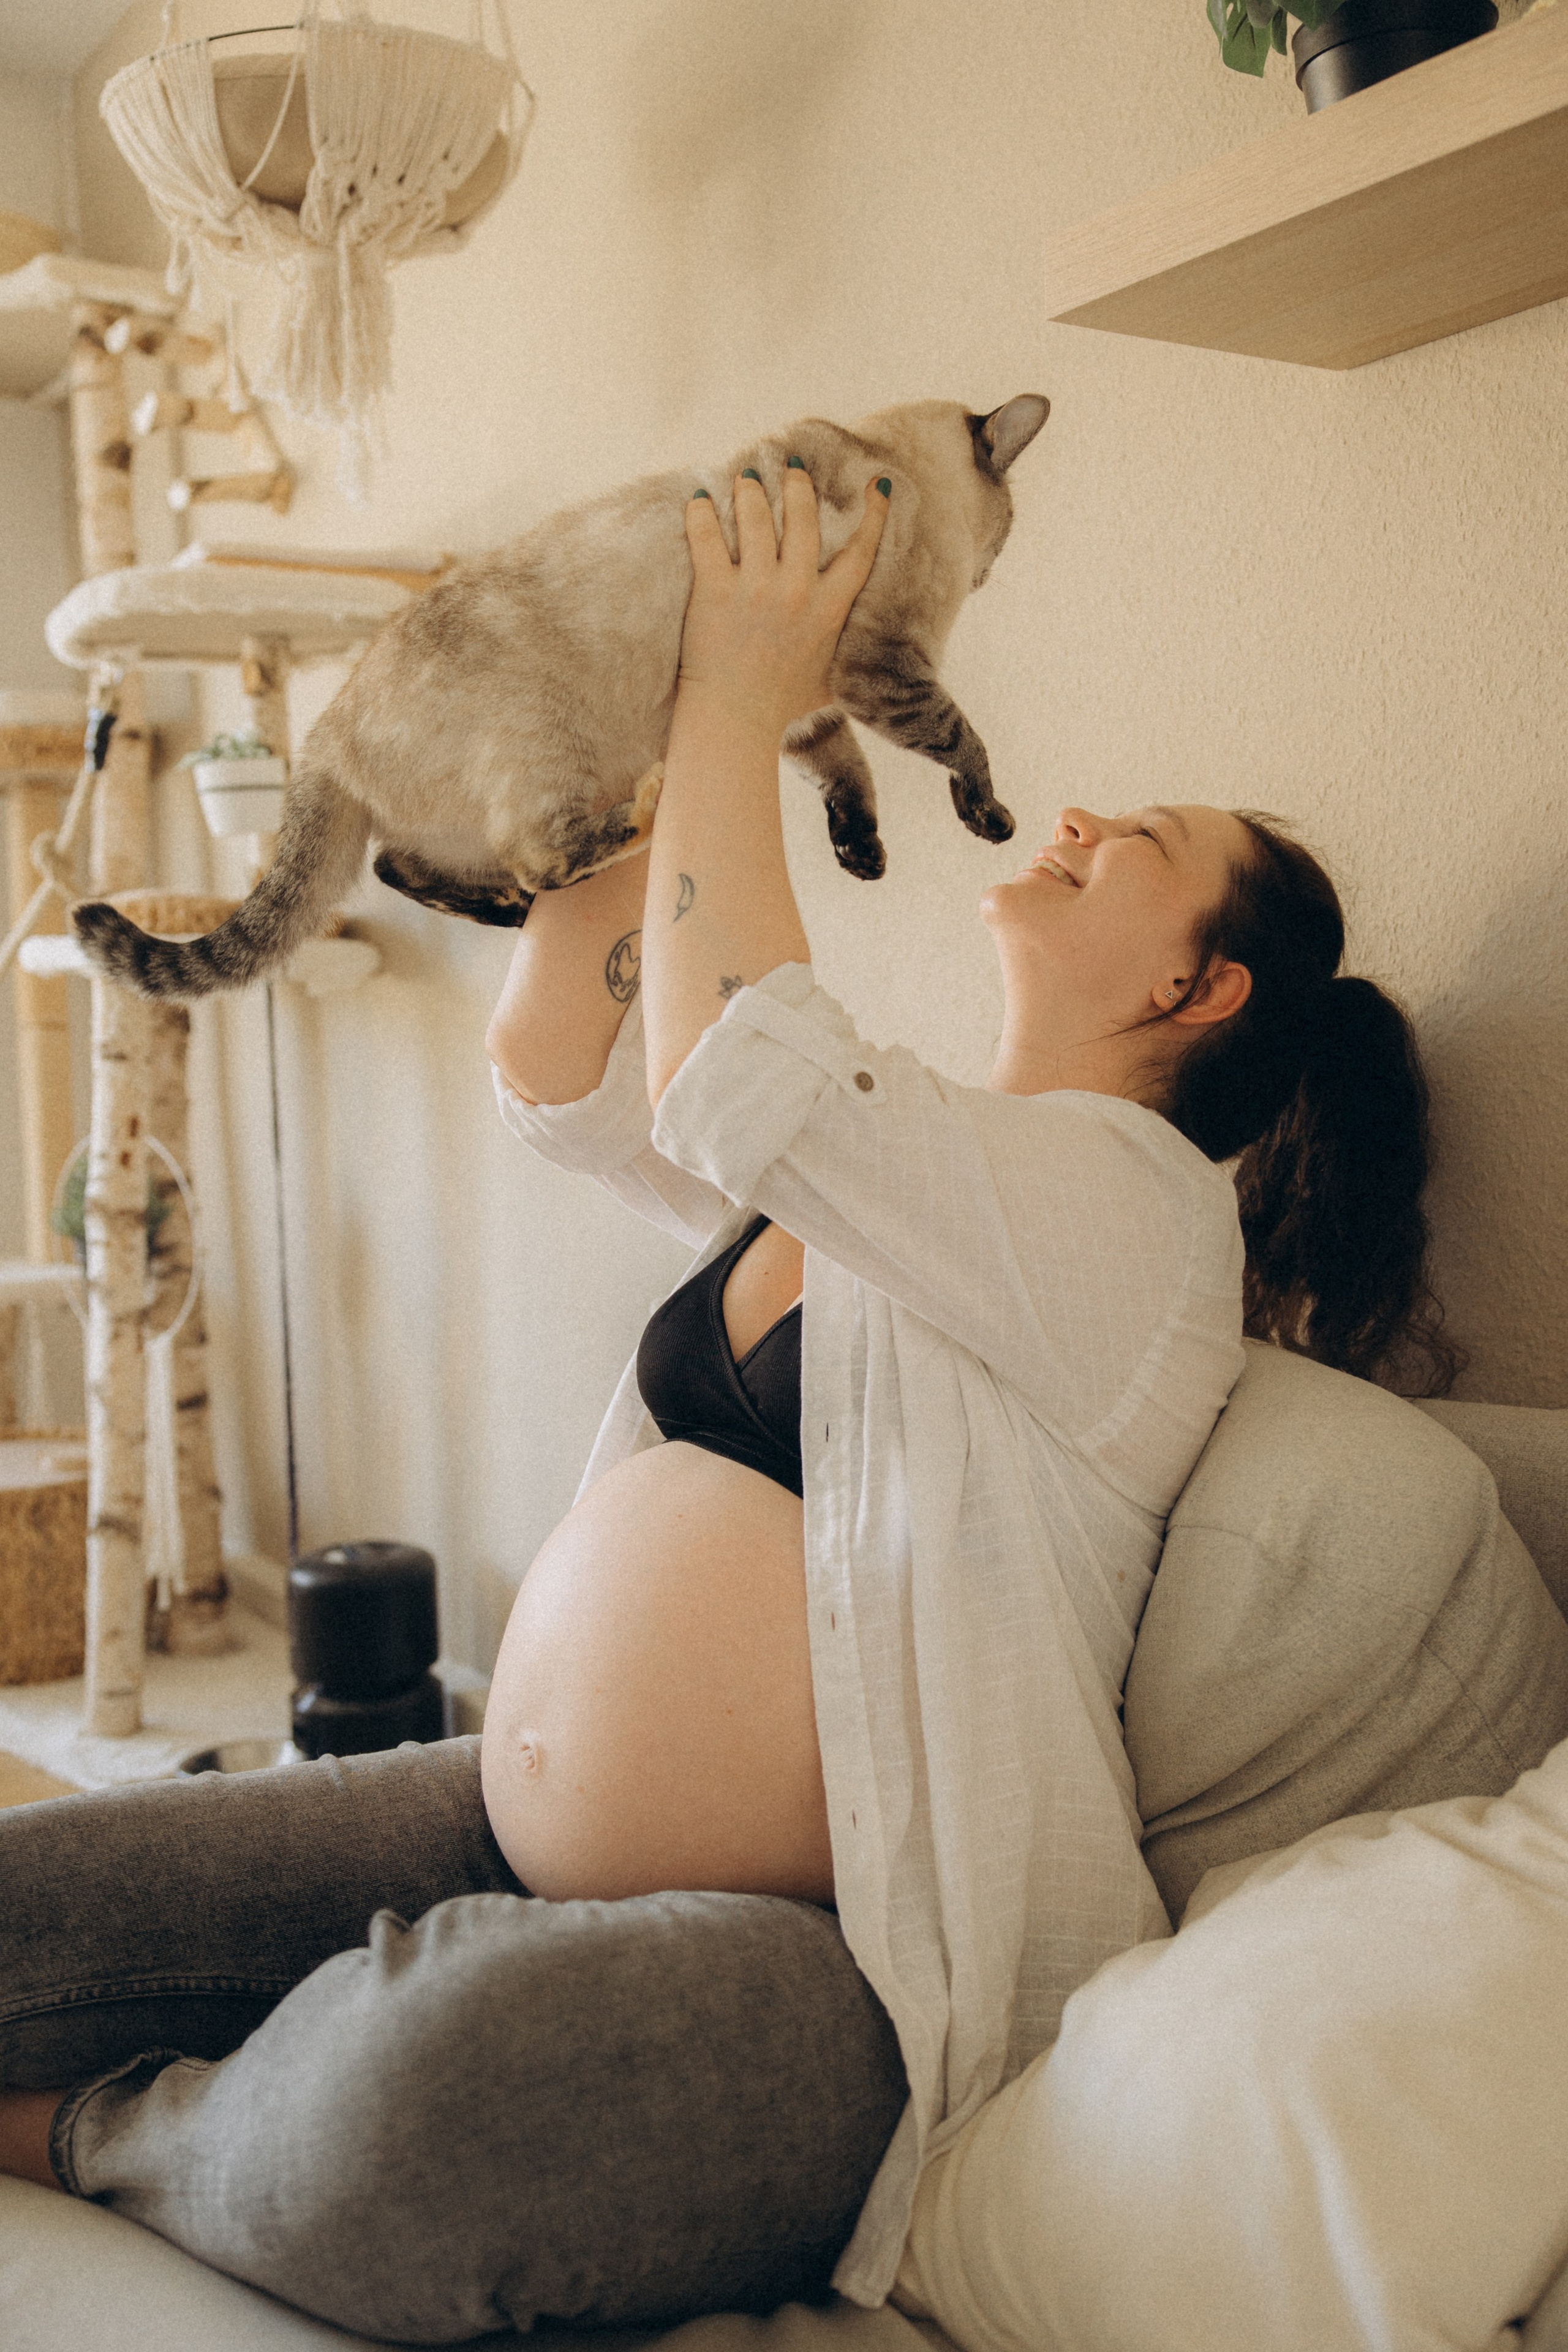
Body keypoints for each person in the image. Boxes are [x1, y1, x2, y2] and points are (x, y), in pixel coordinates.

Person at [0, 464, 1455, 2344]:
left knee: (415, 2121)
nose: (1081, 815)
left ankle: (119, 2125)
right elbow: (576, 1077)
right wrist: (603, 801)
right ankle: (270, 2046)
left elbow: (732, 1069)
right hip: (495, 1820)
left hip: (838, 1964)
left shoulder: (1135, 1223)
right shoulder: (902, 1159)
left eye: (1147, 836)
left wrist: (742, 700)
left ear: (1200, 979)